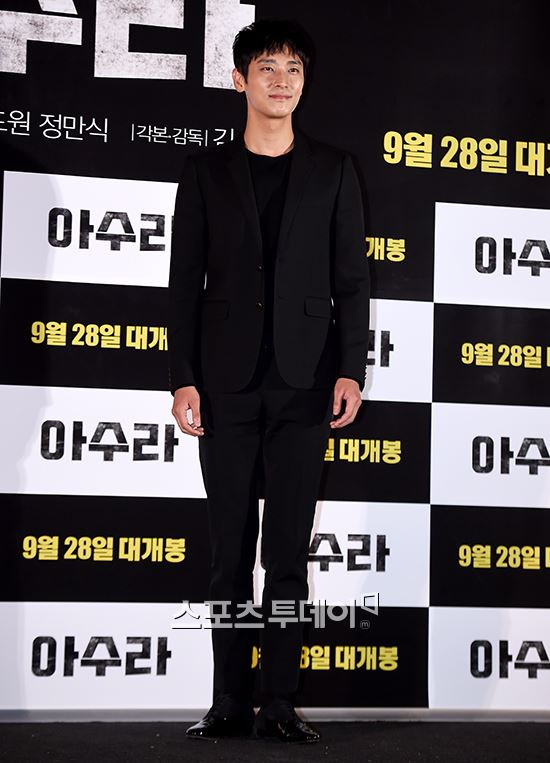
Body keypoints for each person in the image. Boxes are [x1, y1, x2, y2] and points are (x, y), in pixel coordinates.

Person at [168, 18, 370, 744]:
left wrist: (351, 367)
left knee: (287, 552)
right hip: (224, 383)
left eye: (293, 70)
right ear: (239, 80)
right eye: (267, 68)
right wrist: (183, 376)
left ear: (304, 83)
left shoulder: (335, 169)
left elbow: (352, 280)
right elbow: (182, 282)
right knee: (229, 551)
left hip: (306, 380)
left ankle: (279, 701)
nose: (282, 81)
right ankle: (228, 698)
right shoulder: (206, 172)